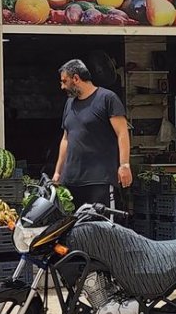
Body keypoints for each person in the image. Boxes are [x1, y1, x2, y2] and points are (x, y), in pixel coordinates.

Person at [52, 59, 132, 209]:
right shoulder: (69, 104)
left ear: (76, 78)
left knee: (102, 228)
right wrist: (58, 172)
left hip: (99, 180)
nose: (62, 86)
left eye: (64, 81)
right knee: (75, 229)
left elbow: (122, 133)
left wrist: (124, 165)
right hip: (71, 180)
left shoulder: (107, 98)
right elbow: (66, 139)